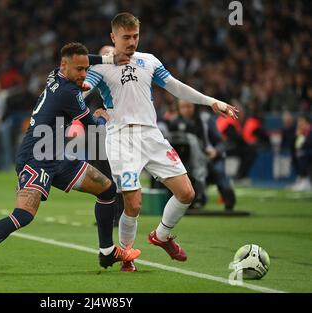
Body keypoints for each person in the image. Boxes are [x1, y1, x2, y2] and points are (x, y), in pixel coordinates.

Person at [0, 42, 140, 275]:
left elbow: (84, 59)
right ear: (65, 65)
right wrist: (102, 116)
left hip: (57, 155)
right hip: (36, 157)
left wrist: (109, 60)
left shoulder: (56, 75)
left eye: (85, 69)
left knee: (107, 190)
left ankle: (107, 251)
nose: (84, 74)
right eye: (79, 70)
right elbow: (93, 128)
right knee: (23, 215)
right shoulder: (69, 93)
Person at [84, 13, 238, 272]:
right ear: (113, 37)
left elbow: (176, 86)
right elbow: (80, 90)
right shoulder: (101, 67)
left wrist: (212, 101)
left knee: (187, 192)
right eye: (126, 37)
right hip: (121, 138)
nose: (132, 41)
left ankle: (162, 236)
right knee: (133, 203)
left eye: (135, 36)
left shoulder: (149, 61)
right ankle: (127, 257)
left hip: (152, 135)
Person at [169, 100, 236, 211]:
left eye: (189, 106)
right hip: (183, 159)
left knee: (218, 171)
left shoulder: (205, 119)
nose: (186, 110)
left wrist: (216, 151)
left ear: (194, 106)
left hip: (208, 156)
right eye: (183, 107)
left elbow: (220, 142)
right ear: (178, 108)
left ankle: (228, 197)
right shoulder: (174, 122)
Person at [85, 45, 125, 227]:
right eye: (103, 55)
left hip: (120, 133)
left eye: (110, 54)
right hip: (98, 135)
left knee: (118, 174)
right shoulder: (92, 81)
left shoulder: (122, 81)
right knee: (101, 175)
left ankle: (120, 215)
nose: (107, 58)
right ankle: (108, 215)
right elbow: (82, 103)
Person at [290, 114, 312, 192]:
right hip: (307, 152)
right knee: (296, 155)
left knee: (303, 154)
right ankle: (301, 179)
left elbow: (309, 143)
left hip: (309, 152)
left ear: (307, 123)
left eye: (301, 122)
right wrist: (297, 136)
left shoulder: (310, 131)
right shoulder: (303, 132)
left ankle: (305, 180)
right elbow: (297, 145)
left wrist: (302, 137)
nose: (299, 124)